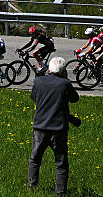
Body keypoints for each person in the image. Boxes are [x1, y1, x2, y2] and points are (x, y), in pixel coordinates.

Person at [28, 56, 80, 195]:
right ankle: (60, 192)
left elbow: (33, 98)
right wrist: (66, 79)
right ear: (63, 71)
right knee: (61, 162)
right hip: (59, 129)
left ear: (49, 69)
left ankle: (32, 187)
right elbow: (75, 98)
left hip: (40, 127)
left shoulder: (38, 81)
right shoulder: (65, 84)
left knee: (35, 158)